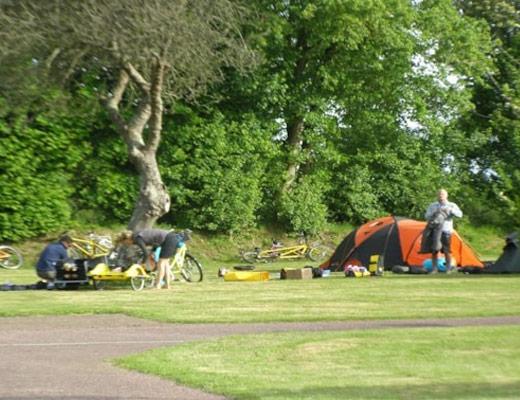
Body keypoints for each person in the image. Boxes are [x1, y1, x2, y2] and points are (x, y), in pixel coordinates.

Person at [424, 189, 463, 274]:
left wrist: (451, 211)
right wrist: (433, 213)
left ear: (446, 195)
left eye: (442, 194)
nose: (440, 196)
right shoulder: (433, 205)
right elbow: (426, 216)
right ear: (437, 195)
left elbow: (460, 215)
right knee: (434, 250)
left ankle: (448, 269)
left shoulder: (452, 205)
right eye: (439, 194)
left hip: (446, 230)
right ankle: (434, 269)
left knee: (446, 251)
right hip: (435, 230)